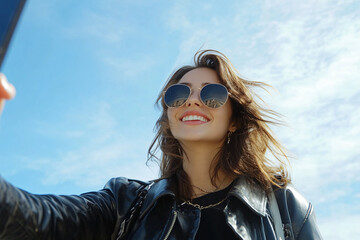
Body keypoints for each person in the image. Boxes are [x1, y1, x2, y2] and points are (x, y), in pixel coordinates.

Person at [0, 50, 322, 239]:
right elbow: (38, 219)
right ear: (169, 116)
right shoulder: (127, 205)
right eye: (178, 95)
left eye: (211, 94)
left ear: (235, 118)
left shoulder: (286, 211)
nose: (192, 101)